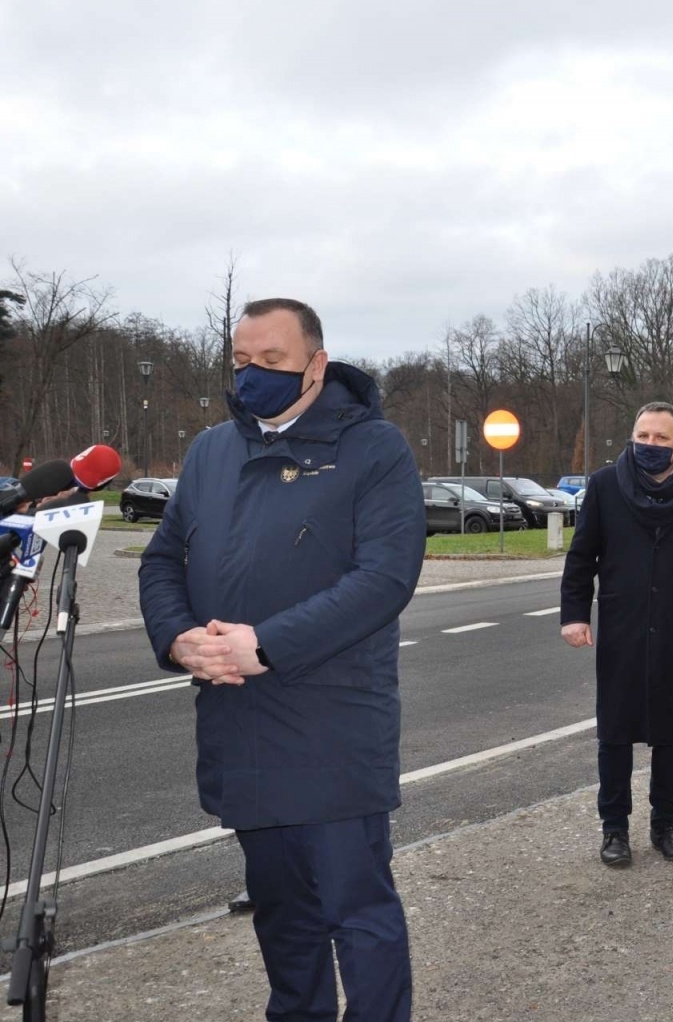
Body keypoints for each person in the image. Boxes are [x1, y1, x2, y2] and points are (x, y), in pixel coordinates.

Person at [139, 298, 426, 1022]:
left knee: (357, 915)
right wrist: (180, 639)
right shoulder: (210, 451)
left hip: (332, 728)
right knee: (281, 917)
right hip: (241, 726)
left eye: (272, 361)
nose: (253, 375)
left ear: (316, 365)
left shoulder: (375, 448)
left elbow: (385, 579)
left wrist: (264, 645)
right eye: (242, 361)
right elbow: (161, 560)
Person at [560, 402, 673, 867]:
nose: (649, 446)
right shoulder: (604, 486)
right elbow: (582, 557)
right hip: (622, 627)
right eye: (642, 437)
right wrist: (574, 614)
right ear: (631, 438)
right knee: (615, 731)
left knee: (672, 731)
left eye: (660, 438)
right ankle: (614, 828)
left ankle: (665, 824)